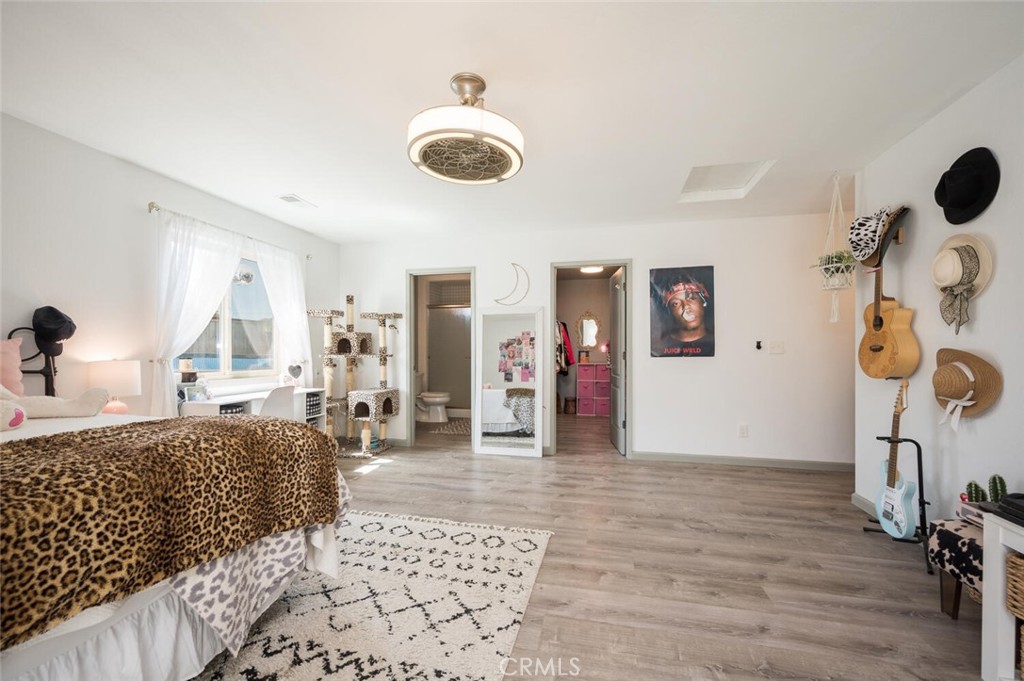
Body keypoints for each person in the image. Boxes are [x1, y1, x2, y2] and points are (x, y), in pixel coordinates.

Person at [652, 275, 715, 357]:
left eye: (692, 298)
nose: (686, 306)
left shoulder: (719, 342)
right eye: (676, 304)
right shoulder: (659, 346)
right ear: (670, 311)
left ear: (703, 302)